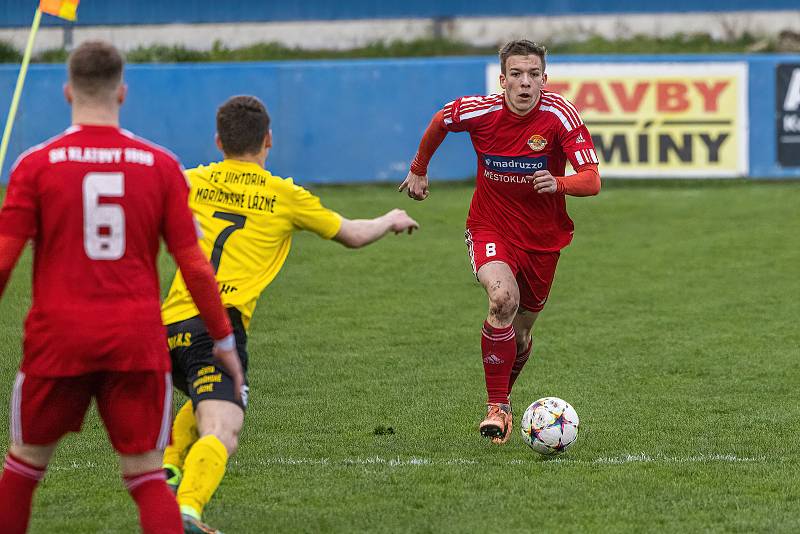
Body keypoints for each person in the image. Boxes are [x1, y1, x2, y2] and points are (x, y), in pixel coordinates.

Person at [0, 41, 243, 534]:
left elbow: (4, 259)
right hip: (135, 342)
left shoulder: (35, 164)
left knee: (23, 468)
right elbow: (193, 265)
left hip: (57, 340)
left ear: (68, 91)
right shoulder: (160, 166)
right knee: (146, 476)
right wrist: (222, 340)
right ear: (123, 93)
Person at [160, 95, 419, 533]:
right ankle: (187, 510)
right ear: (269, 140)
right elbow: (352, 235)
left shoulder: (188, 181)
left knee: (206, 400)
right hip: (218, 327)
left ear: (218, 141)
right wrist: (390, 218)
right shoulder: (285, 195)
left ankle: (168, 468)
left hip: (164, 327)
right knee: (223, 427)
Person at [399, 39, 601, 444]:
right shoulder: (481, 110)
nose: (525, 83)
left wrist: (558, 182)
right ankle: (497, 407)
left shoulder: (560, 115)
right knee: (502, 299)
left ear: (545, 79)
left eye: (533, 75)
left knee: (522, 334)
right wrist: (419, 169)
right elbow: (441, 120)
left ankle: (503, 397)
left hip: (543, 239)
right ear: (503, 79)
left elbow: (592, 180)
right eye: (516, 74)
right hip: (490, 227)